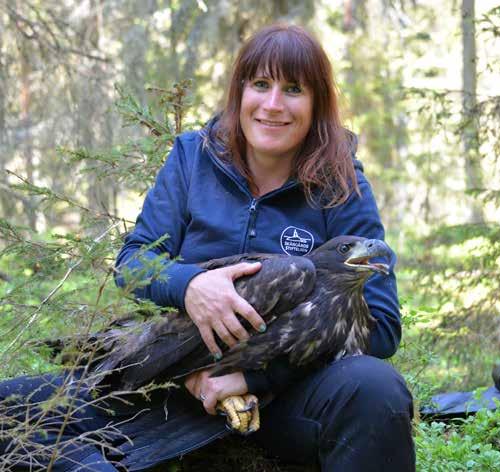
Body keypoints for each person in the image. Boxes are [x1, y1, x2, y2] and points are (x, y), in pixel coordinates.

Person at [0, 24, 414, 471]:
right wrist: (190, 285)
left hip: (285, 399)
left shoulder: (341, 183)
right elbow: (134, 261)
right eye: (260, 84)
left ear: (316, 104)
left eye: (293, 89)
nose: (273, 104)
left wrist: (255, 378)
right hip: (167, 374)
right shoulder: (193, 156)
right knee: (9, 411)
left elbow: (382, 327)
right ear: (239, 92)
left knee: (375, 388)